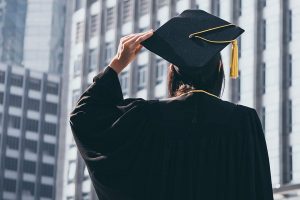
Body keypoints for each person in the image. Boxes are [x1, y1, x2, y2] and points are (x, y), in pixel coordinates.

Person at [69, 10, 274, 200]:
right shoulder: (244, 121)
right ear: (220, 68)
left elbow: (83, 117)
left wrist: (117, 63)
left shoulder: (146, 117)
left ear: (173, 72)